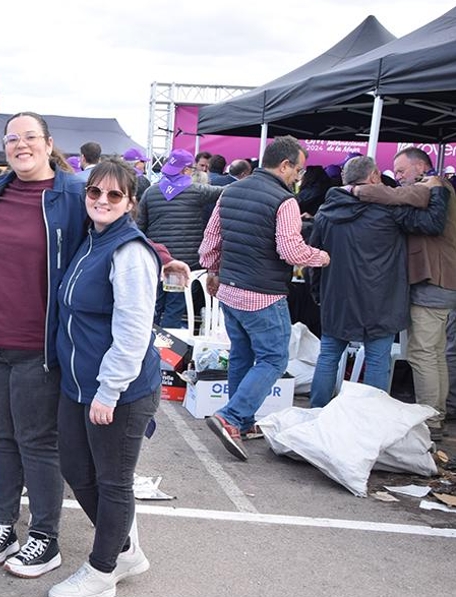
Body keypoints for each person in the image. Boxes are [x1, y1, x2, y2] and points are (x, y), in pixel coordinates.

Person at [0, 112, 83, 578]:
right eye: (13, 138)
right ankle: (5, 522)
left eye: (30, 137)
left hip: (37, 345)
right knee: (1, 438)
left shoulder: (72, 195)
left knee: (37, 442)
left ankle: (45, 537)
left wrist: (157, 257)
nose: (20, 145)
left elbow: (112, 236)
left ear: (49, 144)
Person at [49, 157, 160, 597]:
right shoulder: (92, 240)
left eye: (115, 194)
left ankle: (102, 570)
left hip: (119, 390)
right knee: (78, 469)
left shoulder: (128, 251)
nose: (102, 200)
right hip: (79, 383)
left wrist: (109, 391)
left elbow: (133, 331)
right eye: (95, 192)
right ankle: (126, 548)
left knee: (113, 480)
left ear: (130, 202)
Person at [198, 135, 330, 461]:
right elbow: (289, 250)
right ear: (284, 165)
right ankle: (231, 417)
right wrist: (321, 256)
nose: (298, 178)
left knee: (242, 356)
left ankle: (241, 421)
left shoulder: (230, 191)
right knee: (273, 359)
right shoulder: (285, 201)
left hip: (229, 290)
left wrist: (214, 272)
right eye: (297, 171)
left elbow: (210, 243)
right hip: (263, 294)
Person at [307, 156, 448, 407]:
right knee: (377, 360)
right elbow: (432, 224)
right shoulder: (391, 211)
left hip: (337, 298)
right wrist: (438, 189)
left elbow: (314, 260)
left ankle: (317, 413)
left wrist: (318, 293)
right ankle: (373, 419)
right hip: (382, 299)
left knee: (328, 356)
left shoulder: (325, 213)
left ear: (344, 179)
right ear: (374, 177)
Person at [385, 147, 456, 438]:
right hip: (442, 281)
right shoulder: (440, 188)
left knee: (422, 352)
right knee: (435, 352)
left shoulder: (431, 186)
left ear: (420, 167)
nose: (398, 177)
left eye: (402, 171)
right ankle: (436, 411)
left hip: (433, 281)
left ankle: (431, 420)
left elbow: (396, 199)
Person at [136, 149, 222, 328]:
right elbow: (226, 191)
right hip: (182, 264)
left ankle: (148, 347)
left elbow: (140, 228)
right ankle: (166, 352)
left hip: (156, 261)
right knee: (174, 311)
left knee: (153, 308)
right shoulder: (197, 191)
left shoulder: (151, 192)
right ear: (186, 170)